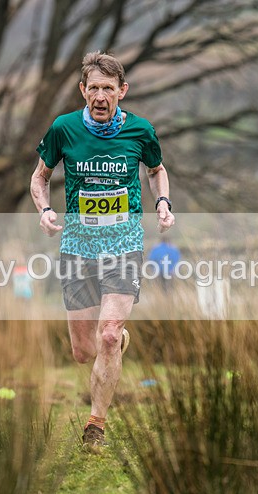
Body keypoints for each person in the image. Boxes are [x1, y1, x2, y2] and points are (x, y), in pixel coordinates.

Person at [29, 51, 175, 451]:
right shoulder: (64, 128)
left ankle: (96, 425)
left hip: (124, 244)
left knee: (108, 336)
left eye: (108, 88)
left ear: (121, 91)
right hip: (77, 245)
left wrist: (162, 202)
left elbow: (156, 170)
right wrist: (43, 210)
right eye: (93, 87)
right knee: (83, 351)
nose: (100, 95)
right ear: (83, 90)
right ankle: (112, 344)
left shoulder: (141, 131)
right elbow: (40, 177)